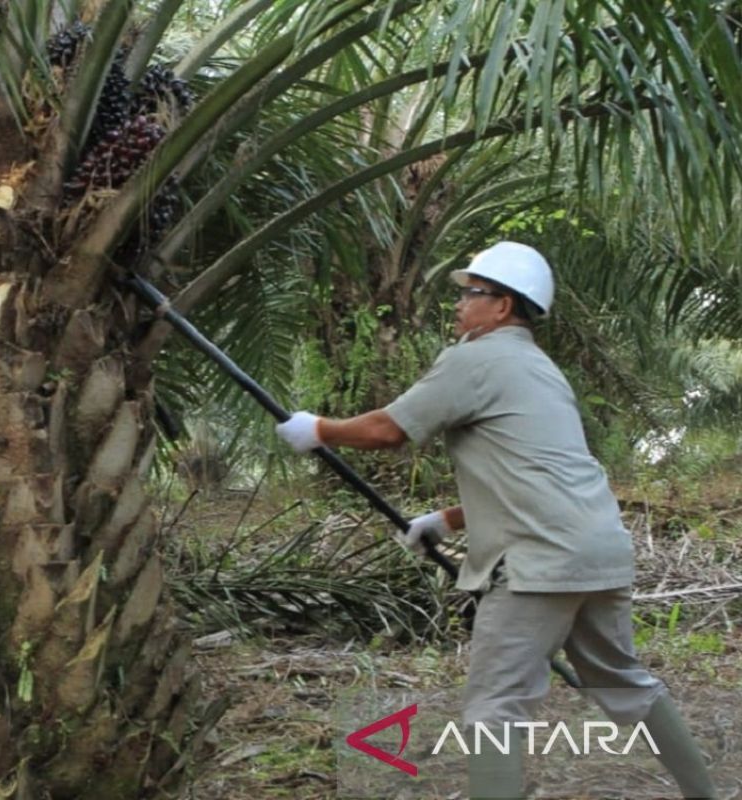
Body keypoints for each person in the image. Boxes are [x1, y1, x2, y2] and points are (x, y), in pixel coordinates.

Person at [275, 242, 716, 799]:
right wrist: (448, 519)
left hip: (540, 560)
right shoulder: (542, 369)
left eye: (471, 293)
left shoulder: (476, 358)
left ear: (503, 306)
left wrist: (319, 430)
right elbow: (541, 473)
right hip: (599, 550)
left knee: (495, 706)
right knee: (624, 681)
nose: (460, 304)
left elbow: (389, 431)